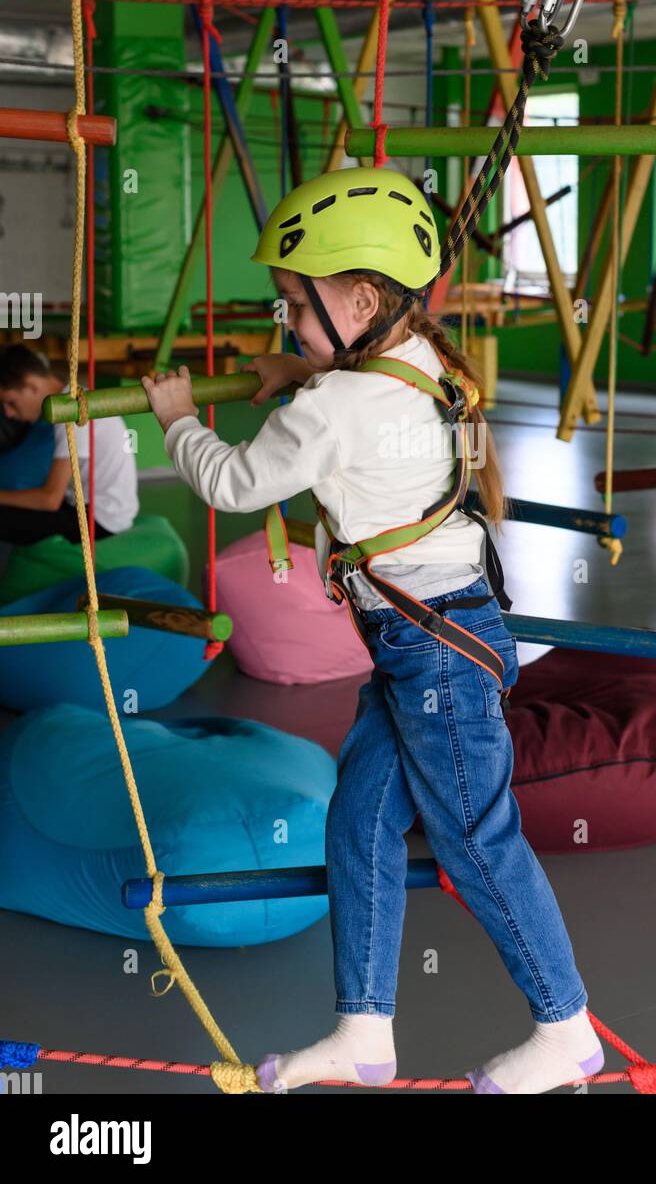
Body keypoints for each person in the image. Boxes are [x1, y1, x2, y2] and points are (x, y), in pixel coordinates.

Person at [141, 166, 603, 1095]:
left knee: (476, 839)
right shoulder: (414, 363)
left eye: (295, 311)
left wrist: (180, 419)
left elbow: (233, 481)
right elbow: (348, 393)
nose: (288, 327)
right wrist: (300, 365)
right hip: (432, 642)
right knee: (359, 825)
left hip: (434, 653)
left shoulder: (337, 403)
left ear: (358, 299)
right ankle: (363, 1030)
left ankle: (567, 1028)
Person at [0, 344, 139, 544]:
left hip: (100, 520)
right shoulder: (73, 398)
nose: (8, 413)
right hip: (98, 507)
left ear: (32, 385)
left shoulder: (71, 412)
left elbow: (49, 500)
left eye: (11, 402)